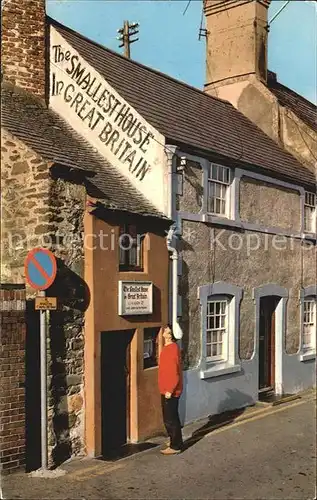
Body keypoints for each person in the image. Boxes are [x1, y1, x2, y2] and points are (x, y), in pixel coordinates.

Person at [158, 324, 183, 455]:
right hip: (166, 389)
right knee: (171, 417)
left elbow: (174, 373)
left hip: (170, 391)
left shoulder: (172, 349)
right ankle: (175, 440)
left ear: (170, 335)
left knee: (170, 418)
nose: (164, 330)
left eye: (167, 329)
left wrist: (170, 390)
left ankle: (175, 446)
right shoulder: (168, 347)